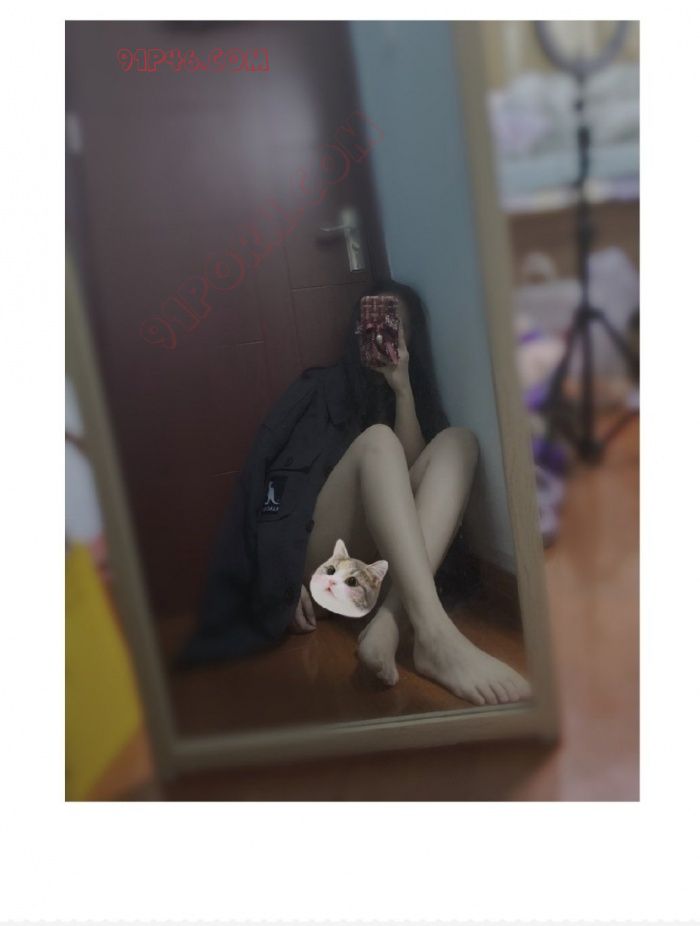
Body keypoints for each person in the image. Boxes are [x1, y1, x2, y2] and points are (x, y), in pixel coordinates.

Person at [184, 280, 530, 706]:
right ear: (357, 329)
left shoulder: (413, 391)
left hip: (377, 573)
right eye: (375, 324)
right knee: (378, 440)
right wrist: (279, 576)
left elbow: (411, 486)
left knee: (459, 442)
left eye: (396, 326)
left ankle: (389, 624)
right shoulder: (319, 388)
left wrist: (402, 390)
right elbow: (276, 486)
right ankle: (435, 634)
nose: (384, 335)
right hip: (322, 565)